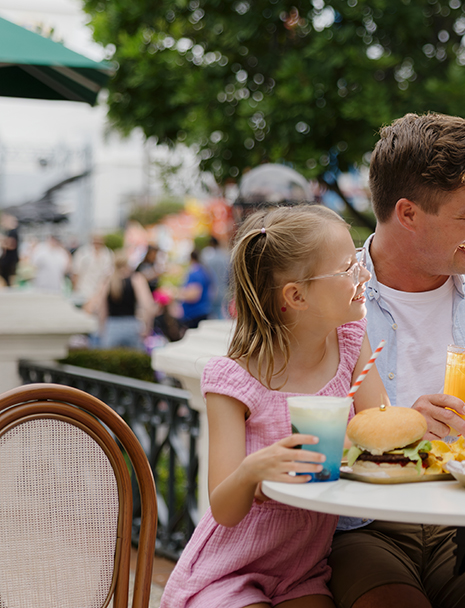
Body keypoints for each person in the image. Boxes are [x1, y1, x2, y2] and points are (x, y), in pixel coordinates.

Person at [327, 112, 465, 608]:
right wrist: (403, 429)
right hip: (366, 520)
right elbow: (292, 424)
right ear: (407, 213)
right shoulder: (331, 297)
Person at [161, 204, 390, 608]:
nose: (364, 276)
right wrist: (253, 470)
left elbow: (381, 440)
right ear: (296, 295)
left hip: (300, 571)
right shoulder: (235, 380)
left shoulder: (352, 343)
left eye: (358, 263)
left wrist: (413, 418)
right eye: (347, 270)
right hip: (227, 570)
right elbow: (224, 509)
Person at [85, 256, 155, 350]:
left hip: (112, 326)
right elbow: (148, 305)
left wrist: (102, 328)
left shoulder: (108, 281)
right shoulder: (136, 279)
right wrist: (147, 327)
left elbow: (101, 308)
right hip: (132, 325)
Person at [71, 234, 116, 309]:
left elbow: (109, 275)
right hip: (83, 290)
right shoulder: (83, 252)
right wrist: (76, 291)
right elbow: (76, 273)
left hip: (100, 292)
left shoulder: (108, 253)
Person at [178, 248, 214, 330]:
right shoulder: (203, 270)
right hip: (203, 310)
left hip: (195, 313)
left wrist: (177, 295)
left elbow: (194, 295)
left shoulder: (195, 273)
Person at [201, 235, 231, 319]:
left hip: (212, 290)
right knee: (223, 311)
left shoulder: (208, 258)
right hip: (224, 288)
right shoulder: (225, 257)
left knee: (215, 313)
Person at [0, 213, 20, 288]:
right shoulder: (9, 232)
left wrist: (2, 242)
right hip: (9, 259)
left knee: (10, 277)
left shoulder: (13, 232)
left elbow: (12, 245)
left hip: (10, 259)